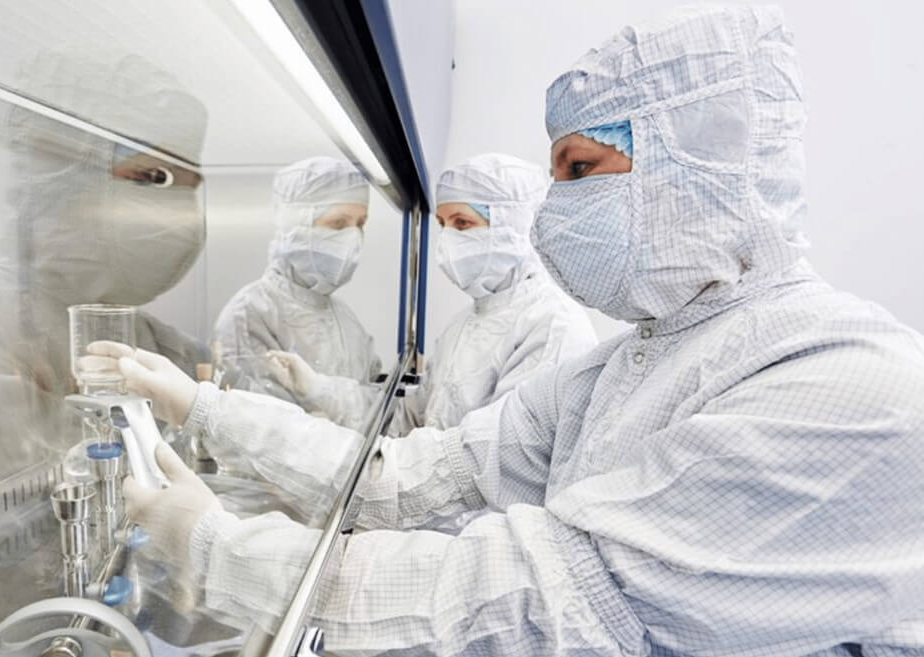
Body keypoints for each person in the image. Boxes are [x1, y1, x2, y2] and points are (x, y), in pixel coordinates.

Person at [111, 6, 924, 656]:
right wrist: (206, 410)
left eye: (577, 170)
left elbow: (536, 600)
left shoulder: (843, 383)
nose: (554, 210)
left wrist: (214, 547)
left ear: (697, 169)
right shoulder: (631, 363)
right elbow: (418, 473)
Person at [0, 52, 208, 652]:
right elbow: (6, 537)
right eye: (152, 179)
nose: (180, 217)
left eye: (190, 187)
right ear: (61, 176)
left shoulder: (160, 342)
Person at [263, 153, 596, 432]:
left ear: (516, 226)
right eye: (443, 224)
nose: (448, 240)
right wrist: (318, 389)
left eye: (462, 223)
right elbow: (407, 418)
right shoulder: (465, 325)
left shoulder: (552, 328)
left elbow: (492, 462)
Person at [212, 156, 380, 400]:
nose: (353, 238)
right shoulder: (250, 316)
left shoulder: (344, 318)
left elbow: (372, 398)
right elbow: (260, 427)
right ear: (295, 226)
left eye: (360, 224)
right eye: (339, 223)